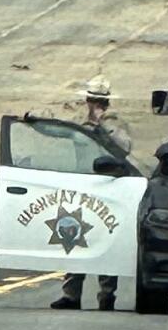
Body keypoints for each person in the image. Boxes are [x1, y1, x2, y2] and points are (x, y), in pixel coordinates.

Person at [51, 77, 130, 312]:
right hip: (83, 186)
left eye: (99, 101)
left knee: (107, 239)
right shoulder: (80, 124)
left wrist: (103, 126)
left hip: (109, 187)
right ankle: (71, 294)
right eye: (92, 99)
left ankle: (107, 295)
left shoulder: (117, 124)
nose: (95, 104)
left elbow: (124, 147)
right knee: (73, 237)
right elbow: (60, 132)